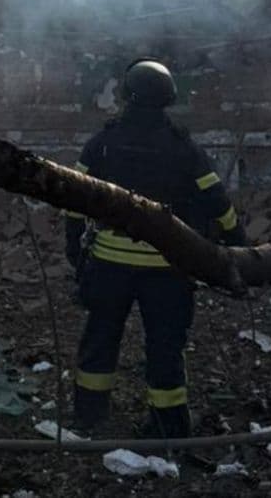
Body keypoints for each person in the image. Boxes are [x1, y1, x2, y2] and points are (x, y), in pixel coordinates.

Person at [72, 58, 246, 439]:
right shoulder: (184, 148)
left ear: (125, 96)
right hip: (170, 269)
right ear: (168, 99)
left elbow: (74, 200)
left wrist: (75, 254)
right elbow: (218, 202)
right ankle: (169, 425)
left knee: (100, 338)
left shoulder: (104, 143)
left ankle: (88, 416)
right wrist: (239, 247)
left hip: (109, 266)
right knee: (165, 346)